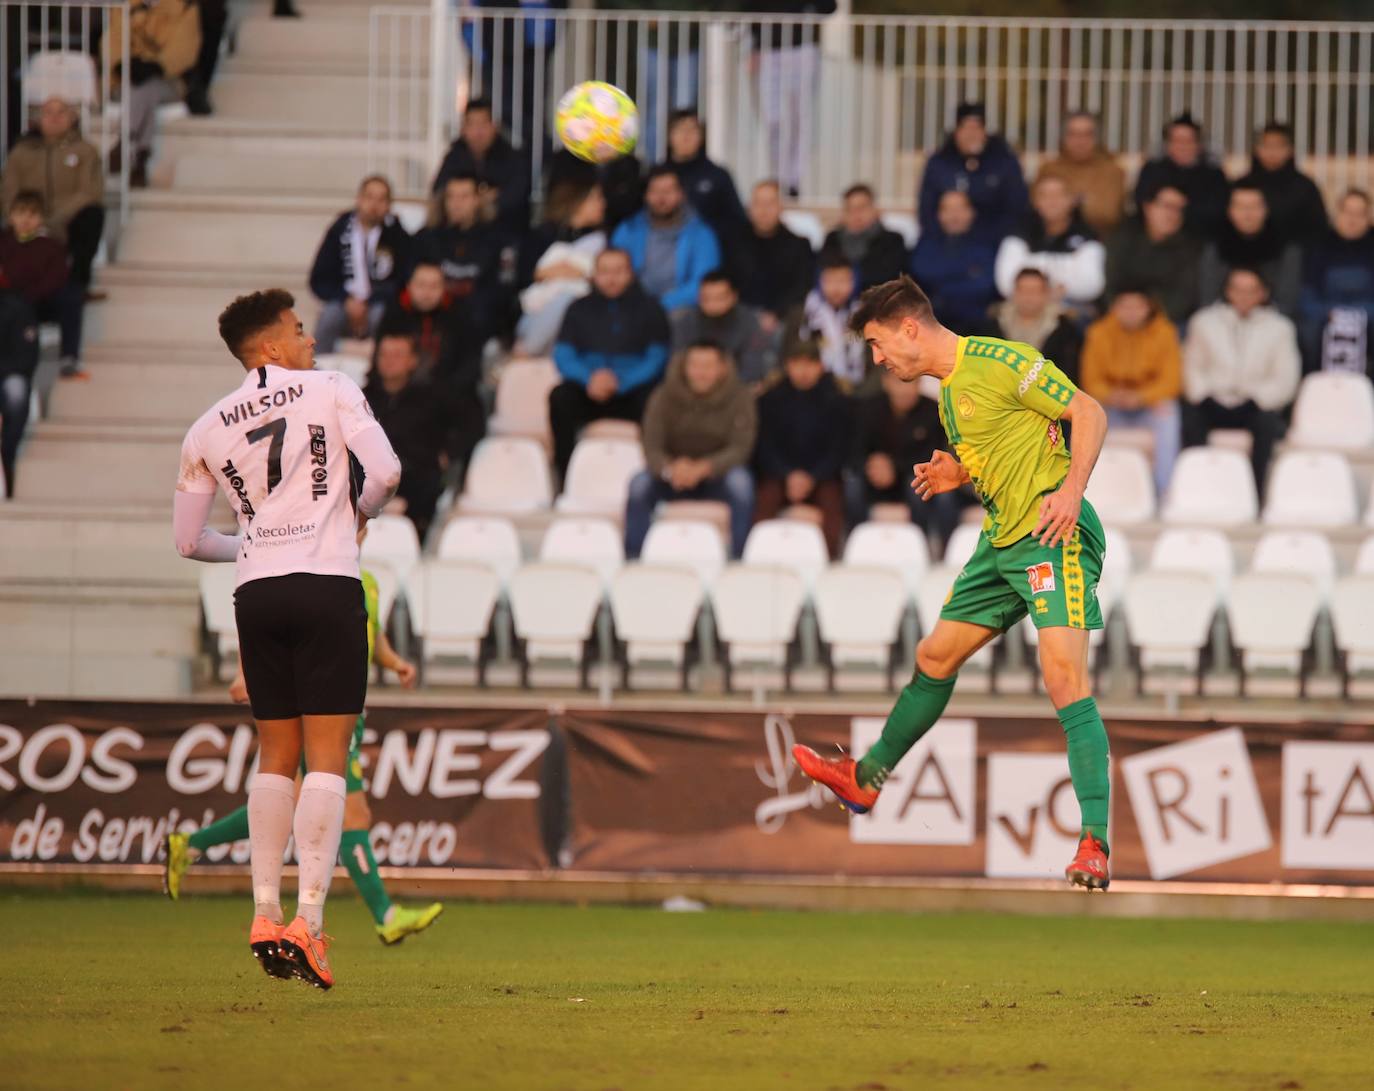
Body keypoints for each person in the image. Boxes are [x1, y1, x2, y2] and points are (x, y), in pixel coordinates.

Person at [792, 275, 1113, 892]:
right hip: (1002, 541)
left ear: (909, 327)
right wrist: (958, 473)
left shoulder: (1001, 360)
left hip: (1051, 531)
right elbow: (1007, 446)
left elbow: (1087, 411)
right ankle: (867, 778)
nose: (879, 359)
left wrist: (1071, 491)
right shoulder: (948, 396)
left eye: (880, 344)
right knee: (933, 655)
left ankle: (1094, 841)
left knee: (1063, 678)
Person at [173, 289, 402, 989]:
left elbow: (187, 540)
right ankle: (310, 920)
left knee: (276, 753)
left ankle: (263, 911)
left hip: (257, 591)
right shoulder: (331, 388)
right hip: (326, 581)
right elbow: (387, 471)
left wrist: (253, 543)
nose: (309, 339)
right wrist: (354, 515)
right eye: (298, 330)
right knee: (327, 757)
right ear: (270, 346)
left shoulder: (205, 427)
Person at [163, 524, 444, 948]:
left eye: (361, 527)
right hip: (322, 708)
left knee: (291, 800)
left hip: (348, 706)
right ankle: (384, 914)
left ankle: (191, 844)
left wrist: (396, 663)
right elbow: (261, 621)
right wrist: (245, 673)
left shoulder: (365, 582)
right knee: (353, 813)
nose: (359, 532)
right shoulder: (308, 578)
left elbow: (373, 638)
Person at [625, 341, 758, 558]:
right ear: (684, 367)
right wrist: (670, 468)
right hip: (672, 476)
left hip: (718, 476)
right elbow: (651, 446)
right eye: (695, 365)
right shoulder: (663, 396)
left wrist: (705, 468)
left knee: (742, 484)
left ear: (722, 368)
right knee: (639, 485)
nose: (701, 373)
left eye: (708, 366)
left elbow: (741, 447)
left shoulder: (740, 397)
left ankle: (739, 559)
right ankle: (633, 559)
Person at [550, 248, 670, 476]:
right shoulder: (578, 309)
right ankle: (565, 477)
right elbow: (563, 355)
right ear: (594, 275)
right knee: (560, 398)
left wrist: (621, 382)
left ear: (631, 273)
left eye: (619, 271)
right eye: (605, 271)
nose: (612, 278)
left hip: (631, 391)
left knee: (655, 400)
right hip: (589, 390)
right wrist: (589, 379)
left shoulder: (651, 309)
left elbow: (657, 358)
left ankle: (652, 476)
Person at [1184, 267, 1301, 495]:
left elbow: (1286, 377)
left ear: (1263, 293)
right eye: (1237, 290)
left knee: (1268, 425)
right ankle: (1197, 490)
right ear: (1227, 291)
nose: (1244, 296)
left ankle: (1254, 495)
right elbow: (1192, 367)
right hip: (1212, 401)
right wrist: (1205, 397)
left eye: (1251, 290)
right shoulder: (1204, 322)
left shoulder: (1280, 327)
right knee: (1191, 420)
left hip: (1255, 405)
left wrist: (1257, 400)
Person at [365, 332, 482, 542]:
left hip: (418, 480)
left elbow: (472, 423)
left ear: (413, 361)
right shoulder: (360, 398)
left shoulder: (434, 397)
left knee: (429, 483)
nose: (389, 361)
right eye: (384, 355)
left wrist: (448, 454)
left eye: (398, 355)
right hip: (370, 479)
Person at [753, 339, 852, 558]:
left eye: (810, 364)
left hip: (823, 475)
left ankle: (829, 563)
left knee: (833, 504)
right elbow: (764, 447)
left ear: (820, 367)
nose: (803, 371)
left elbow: (839, 448)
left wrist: (812, 477)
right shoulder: (770, 400)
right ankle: (758, 560)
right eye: (797, 363)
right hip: (779, 474)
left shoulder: (837, 400)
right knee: (765, 500)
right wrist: (788, 475)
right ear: (787, 366)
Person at [1, 97, 105, 304]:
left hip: (67, 220)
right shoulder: (21, 152)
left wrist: (53, 220)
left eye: (61, 112)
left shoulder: (86, 151)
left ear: (72, 118)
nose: (54, 118)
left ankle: (77, 287)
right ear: (38, 119)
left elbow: (89, 192)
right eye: (48, 112)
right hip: (24, 218)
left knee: (92, 216)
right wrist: (23, 218)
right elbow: (8, 192)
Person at [1080, 288, 1183, 494]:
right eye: (1125, 306)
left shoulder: (1164, 332)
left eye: (1138, 306)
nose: (1131, 312)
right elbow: (1090, 380)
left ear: (1148, 309)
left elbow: (1172, 381)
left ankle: (1164, 492)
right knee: (1084, 414)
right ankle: (1086, 489)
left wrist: (1142, 397)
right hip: (1111, 404)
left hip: (1148, 404)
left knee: (1169, 412)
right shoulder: (1098, 333)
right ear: (1115, 308)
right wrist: (1111, 395)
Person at [846, 368, 962, 545]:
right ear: (886, 382)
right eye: (899, 382)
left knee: (921, 487)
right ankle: (854, 544)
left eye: (911, 382)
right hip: (875, 481)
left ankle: (924, 548)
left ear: (920, 384)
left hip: (913, 478)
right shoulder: (867, 409)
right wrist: (872, 466)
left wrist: (893, 467)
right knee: (853, 485)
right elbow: (854, 452)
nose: (904, 389)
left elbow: (935, 457)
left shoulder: (933, 412)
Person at [105, 0, 202, 188]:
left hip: (167, 79)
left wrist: (157, 66)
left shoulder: (185, 8)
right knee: (141, 88)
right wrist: (122, 64)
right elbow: (113, 39)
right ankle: (141, 155)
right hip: (127, 78)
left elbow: (185, 47)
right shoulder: (124, 6)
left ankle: (125, 140)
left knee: (146, 86)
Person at [309, 176, 412, 353]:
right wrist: (346, 300)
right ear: (359, 199)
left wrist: (371, 300)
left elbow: (403, 280)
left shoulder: (397, 236)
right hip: (343, 301)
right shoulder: (339, 231)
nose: (374, 205)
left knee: (383, 317)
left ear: (389, 205)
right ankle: (316, 372)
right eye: (369, 197)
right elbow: (318, 279)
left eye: (381, 199)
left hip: (379, 303)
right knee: (329, 316)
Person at [417, 172, 520, 348]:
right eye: (451, 197)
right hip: (434, 319)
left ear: (477, 200)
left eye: (464, 196)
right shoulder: (427, 238)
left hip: (481, 324)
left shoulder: (499, 240)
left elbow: (505, 288)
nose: (456, 204)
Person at [751, 0, 835, 197]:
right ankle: (779, 177)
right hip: (769, 49)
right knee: (773, 119)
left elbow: (829, 7)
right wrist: (754, 46)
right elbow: (751, 8)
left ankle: (794, 180)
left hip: (802, 48)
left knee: (800, 117)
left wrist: (807, 11)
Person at [611, 165, 721, 314]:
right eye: (655, 191)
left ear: (681, 194)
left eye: (668, 191)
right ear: (646, 195)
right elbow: (612, 272)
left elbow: (704, 283)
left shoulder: (701, 234)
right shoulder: (628, 230)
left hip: (681, 310)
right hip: (632, 307)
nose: (661, 198)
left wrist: (661, 305)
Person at [516, 180, 607, 357]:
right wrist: (545, 273)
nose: (603, 204)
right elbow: (523, 275)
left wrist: (580, 274)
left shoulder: (602, 239)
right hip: (536, 307)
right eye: (596, 198)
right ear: (578, 202)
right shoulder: (544, 235)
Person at [0, 192, 83, 386]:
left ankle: (69, 357)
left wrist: (28, 297)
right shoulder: (3, 244)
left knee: (72, 294)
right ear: (11, 216)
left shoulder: (52, 246)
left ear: (41, 219)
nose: (26, 219)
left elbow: (56, 278)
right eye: (21, 213)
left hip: (38, 302)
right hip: (7, 304)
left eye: (32, 214)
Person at [917, 101, 1028, 244]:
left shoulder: (1005, 162)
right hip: (945, 242)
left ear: (984, 132)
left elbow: (1016, 207)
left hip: (994, 242)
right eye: (965, 128)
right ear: (956, 131)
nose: (971, 134)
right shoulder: (939, 163)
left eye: (976, 128)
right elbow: (927, 210)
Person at [994, 174, 1106, 311]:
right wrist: (1056, 284)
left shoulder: (1087, 236)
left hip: (1071, 309)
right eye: (1045, 195)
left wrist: (1037, 286)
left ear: (1072, 199)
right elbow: (1005, 285)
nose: (1052, 201)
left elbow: (1092, 285)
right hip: (1022, 309)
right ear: (1035, 201)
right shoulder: (1018, 235)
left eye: (1059, 195)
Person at [1197, 182, 1302, 319]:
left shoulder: (1286, 249)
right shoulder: (1215, 248)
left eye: (1254, 206)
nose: (1247, 213)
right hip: (1222, 321)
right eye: (1240, 206)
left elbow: (1286, 303)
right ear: (1230, 210)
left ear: (1265, 209)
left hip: (1270, 322)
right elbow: (1208, 299)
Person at [1104, 184, 1201, 329]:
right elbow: (1110, 283)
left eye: (1179, 209)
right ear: (1148, 207)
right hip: (1120, 317)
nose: (1172, 215)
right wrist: (1126, 312)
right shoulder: (1123, 238)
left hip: (1165, 322)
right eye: (1167, 206)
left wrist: (1147, 316)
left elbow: (1184, 297)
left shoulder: (1189, 249)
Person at [431, 98, 533, 235]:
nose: (478, 132)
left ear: (494, 126)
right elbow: (439, 189)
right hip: (457, 231)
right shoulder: (455, 156)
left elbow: (518, 193)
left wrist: (483, 203)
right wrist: (474, 197)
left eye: (483, 124)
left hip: (502, 229)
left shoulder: (511, 157)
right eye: (472, 125)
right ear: (463, 129)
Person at [1299, 189, 1374, 373]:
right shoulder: (1317, 247)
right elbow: (1307, 295)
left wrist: (1360, 314)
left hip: (1369, 318)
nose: (1352, 219)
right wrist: (1329, 313)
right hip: (1325, 318)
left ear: (1368, 217)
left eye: (1359, 214)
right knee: (1307, 331)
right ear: (1337, 214)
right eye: (1347, 212)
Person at [376, 261, 480, 390]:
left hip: (447, 395)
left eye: (434, 286)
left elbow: (468, 365)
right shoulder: (394, 317)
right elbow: (379, 363)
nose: (427, 293)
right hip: (399, 395)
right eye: (421, 285)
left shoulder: (459, 318)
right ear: (409, 286)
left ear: (444, 288)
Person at [909, 189, 999, 333]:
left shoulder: (986, 246)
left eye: (960, 208)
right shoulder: (927, 243)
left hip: (975, 326)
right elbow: (922, 273)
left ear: (971, 212)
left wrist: (941, 288)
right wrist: (966, 272)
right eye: (948, 209)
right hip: (932, 323)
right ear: (940, 214)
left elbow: (984, 286)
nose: (954, 215)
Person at [729, 179, 815, 329]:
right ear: (749, 208)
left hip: (784, 317)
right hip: (741, 316)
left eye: (770, 204)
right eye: (758, 203)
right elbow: (729, 283)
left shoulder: (799, 245)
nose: (764, 210)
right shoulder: (734, 243)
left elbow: (802, 287)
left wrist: (775, 313)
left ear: (780, 207)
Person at [1133, 113, 1230, 241]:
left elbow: (1219, 211)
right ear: (1167, 144)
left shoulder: (1214, 174)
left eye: (1188, 140)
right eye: (1177, 140)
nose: (1183, 146)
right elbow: (1141, 204)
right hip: (1156, 240)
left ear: (1199, 144)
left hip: (1201, 239)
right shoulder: (1151, 170)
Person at [671, 270, 775, 385]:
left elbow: (752, 367)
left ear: (734, 297)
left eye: (719, 298)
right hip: (693, 386)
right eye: (706, 298)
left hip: (736, 388)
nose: (712, 304)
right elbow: (677, 364)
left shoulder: (749, 322)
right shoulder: (685, 322)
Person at [1236, 122, 1328, 249]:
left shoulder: (1305, 187)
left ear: (1290, 150)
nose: (1272, 152)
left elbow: (1318, 229)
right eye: (1267, 145)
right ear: (1257, 149)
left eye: (1279, 146)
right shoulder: (1242, 185)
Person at [984, 268, 1083, 386]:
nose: (1028, 297)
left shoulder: (1064, 328)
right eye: (1023, 290)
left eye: (1035, 291)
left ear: (1046, 294)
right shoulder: (995, 323)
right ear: (1014, 293)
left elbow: (1069, 373)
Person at [1035, 111, 1127, 237]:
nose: (1080, 141)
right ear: (1064, 138)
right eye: (1073, 134)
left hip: (1101, 241)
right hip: (1054, 243)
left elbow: (1108, 213)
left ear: (1096, 139)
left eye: (1087, 135)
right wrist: (1084, 201)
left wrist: (1064, 204)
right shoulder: (1049, 169)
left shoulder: (1112, 171)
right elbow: (1038, 210)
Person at [665, 111, 747, 241]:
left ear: (701, 137)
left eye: (692, 130)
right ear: (670, 136)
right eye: (680, 129)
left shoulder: (718, 175)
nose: (686, 136)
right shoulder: (658, 175)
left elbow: (737, 220)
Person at [820, 184, 907, 292]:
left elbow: (889, 278)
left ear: (874, 209)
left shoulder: (893, 241)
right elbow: (824, 275)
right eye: (850, 209)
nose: (856, 214)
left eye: (861, 208)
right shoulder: (833, 240)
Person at [797, 255, 866, 385]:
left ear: (855, 281)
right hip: (815, 385)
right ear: (819, 282)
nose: (836, 288)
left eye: (843, 281)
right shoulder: (804, 311)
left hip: (857, 386)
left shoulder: (864, 313)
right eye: (829, 281)